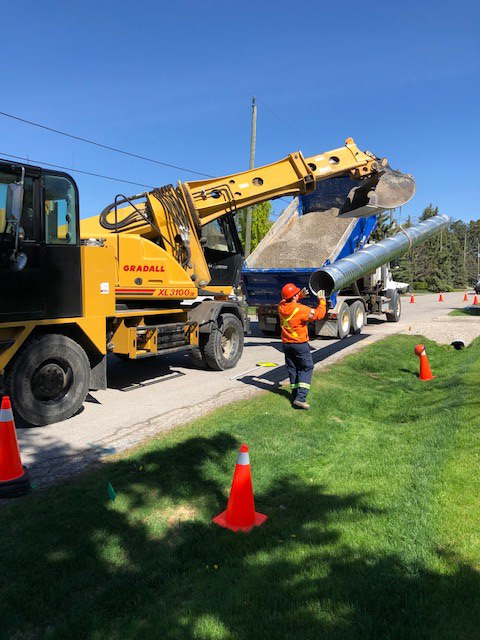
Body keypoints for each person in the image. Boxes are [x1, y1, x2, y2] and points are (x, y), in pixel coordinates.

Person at [278, 283, 327, 410]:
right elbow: (319, 314)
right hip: (299, 344)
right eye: (296, 293)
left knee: (293, 368)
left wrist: (298, 296)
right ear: (294, 296)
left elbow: (287, 300)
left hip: (286, 344)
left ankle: (294, 395)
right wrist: (322, 301)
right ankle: (301, 398)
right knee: (306, 367)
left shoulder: (281, 307)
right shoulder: (301, 310)